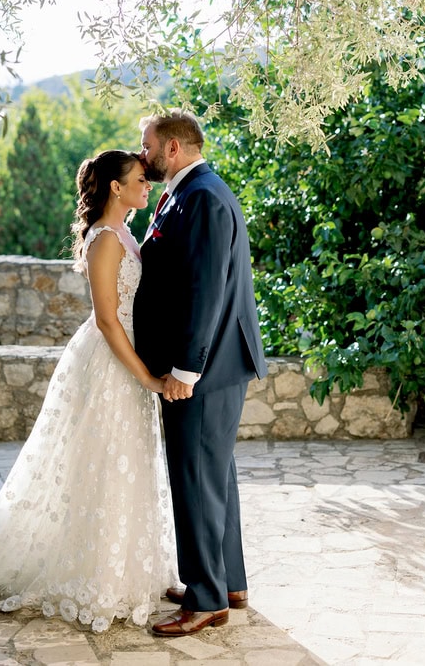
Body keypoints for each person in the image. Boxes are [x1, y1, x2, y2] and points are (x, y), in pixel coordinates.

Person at [0, 150, 178, 633]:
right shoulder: (104, 240)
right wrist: (144, 376)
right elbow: (105, 318)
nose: (149, 184)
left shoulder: (125, 232)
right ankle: (98, 575)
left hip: (127, 357)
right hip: (110, 363)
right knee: (102, 461)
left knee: (126, 461)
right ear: (116, 188)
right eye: (141, 179)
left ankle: (126, 567)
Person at [133, 110, 268, 637]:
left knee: (194, 476)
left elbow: (207, 291)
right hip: (207, 364)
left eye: (146, 145)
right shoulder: (183, 192)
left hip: (205, 368)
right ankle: (227, 582)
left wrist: (186, 369)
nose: (141, 154)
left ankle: (206, 598)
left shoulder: (205, 197)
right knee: (214, 476)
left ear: (171, 148)